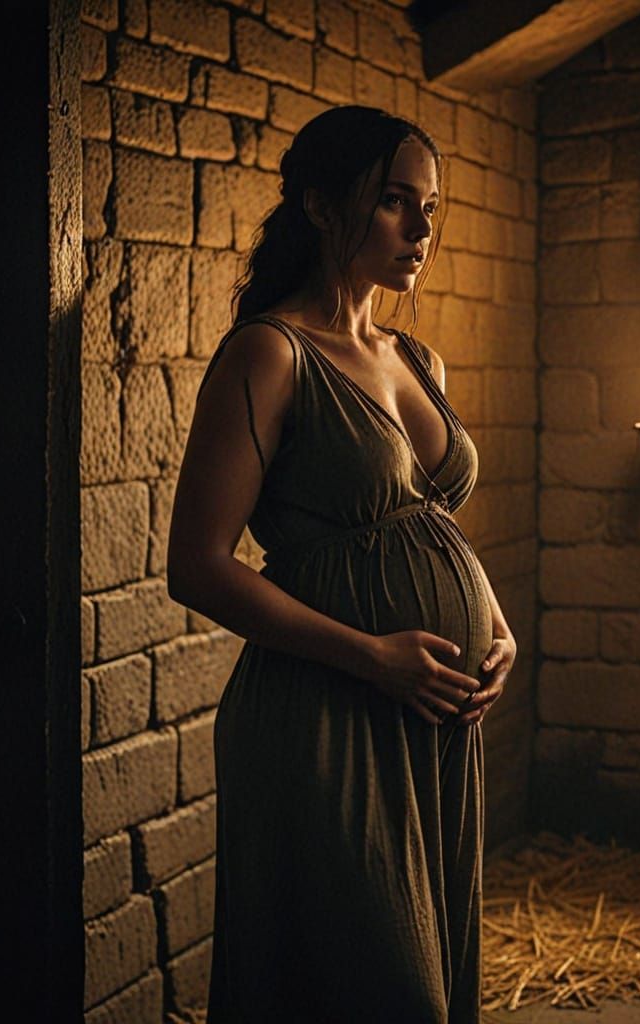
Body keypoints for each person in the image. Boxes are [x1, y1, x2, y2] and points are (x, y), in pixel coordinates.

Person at [166, 105, 516, 1023]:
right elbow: (196, 566)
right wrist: (373, 657)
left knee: (429, 967)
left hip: (432, 717)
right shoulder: (270, 353)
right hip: (327, 712)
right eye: (394, 201)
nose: (420, 229)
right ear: (322, 206)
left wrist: (495, 625)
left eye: (428, 207)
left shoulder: (415, 358)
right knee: (385, 991)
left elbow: (425, 522)